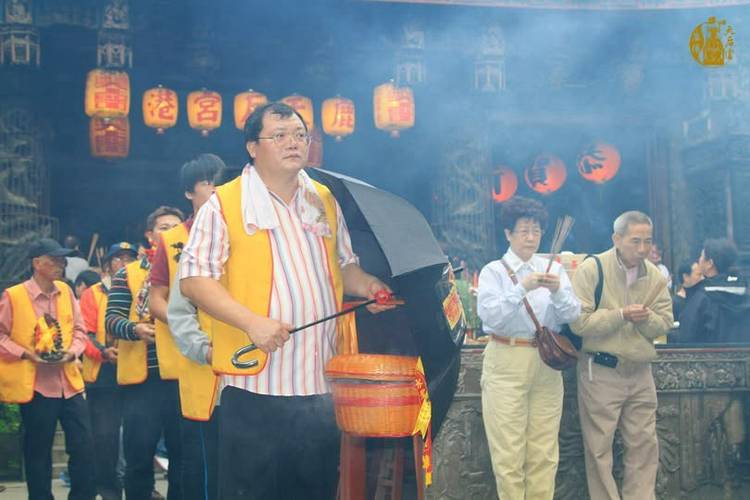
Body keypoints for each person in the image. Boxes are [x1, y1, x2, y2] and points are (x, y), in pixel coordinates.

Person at [180, 102, 393, 499]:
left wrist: (367, 285)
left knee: (313, 491)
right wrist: (252, 322)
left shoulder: (323, 198)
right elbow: (194, 280)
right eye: (279, 136)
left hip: (318, 383)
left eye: (300, 135)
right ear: (252, 147)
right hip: (254, 384)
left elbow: (345, 266)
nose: (293, 143)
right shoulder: (224, 203)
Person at [477, 196, 580, 500]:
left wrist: (557, 290)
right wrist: (522, 287)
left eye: (536, 230)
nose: (531, 237)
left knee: (544, 452)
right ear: (508, 233)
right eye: (523, 230)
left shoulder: (554, 269)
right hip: (506, 359)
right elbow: (490, 317)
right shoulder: (494, 271)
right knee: (508, 453)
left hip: (545, 362)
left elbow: (572, 315)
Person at [570, 211, 673, 500]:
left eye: (648, 241)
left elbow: (665, 323)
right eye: (635, 241)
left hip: (640, 371)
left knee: (644, 445)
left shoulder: (655, 275)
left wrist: (645, 319)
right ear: (616, 239)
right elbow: (579, 323)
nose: (643, 249)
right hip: (601, 370)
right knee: (598, 449)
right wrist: (621, 315)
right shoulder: (592, 269)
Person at [149, 153, 225, 500]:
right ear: (188, 192)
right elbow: (157, 299)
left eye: (220, 182)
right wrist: (188, 325)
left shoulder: (242, 229)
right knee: (194, 452)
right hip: (191, 356)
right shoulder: (173, 240)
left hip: (237, 351)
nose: (216, 188)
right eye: (207, 182)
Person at [0, 238, 96, 500]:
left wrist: (72, 352)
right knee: (38, 450)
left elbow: (80, 329)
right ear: (37, 263)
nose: (60, 264)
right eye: (54, 259)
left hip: (70, 382)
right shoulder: (14, 295)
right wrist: (26, 354)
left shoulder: (65, 290)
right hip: (36, 385)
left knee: (84, 445)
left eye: (62, 260)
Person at [105, 207, 185, 500]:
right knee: (138, 456)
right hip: (142, 381)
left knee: (184, 457)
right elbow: (111, 320)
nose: (171, 232)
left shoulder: (192, 270)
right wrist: (135, 329)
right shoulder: (128, 273)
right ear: (150, 235)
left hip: (183, 376)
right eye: (164, 227)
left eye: (176, 227)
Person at [80, 242, 137, 500]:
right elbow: (86, 333)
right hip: (103, 373)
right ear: (107, 265)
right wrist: (104, 352)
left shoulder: (142, 288)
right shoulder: (93, 293)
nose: (124, 263)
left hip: (136, 369)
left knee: (139, 433)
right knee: (105, 437)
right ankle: (109, 491)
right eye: (118, 259)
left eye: (130, 258)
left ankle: (139, 487)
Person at [678, 238, 750, 344]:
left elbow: (686, 336)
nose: (699, 260)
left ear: (710, 263)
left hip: (710, 354)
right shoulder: (746, 293)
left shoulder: (701, 298)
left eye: (701, 256)